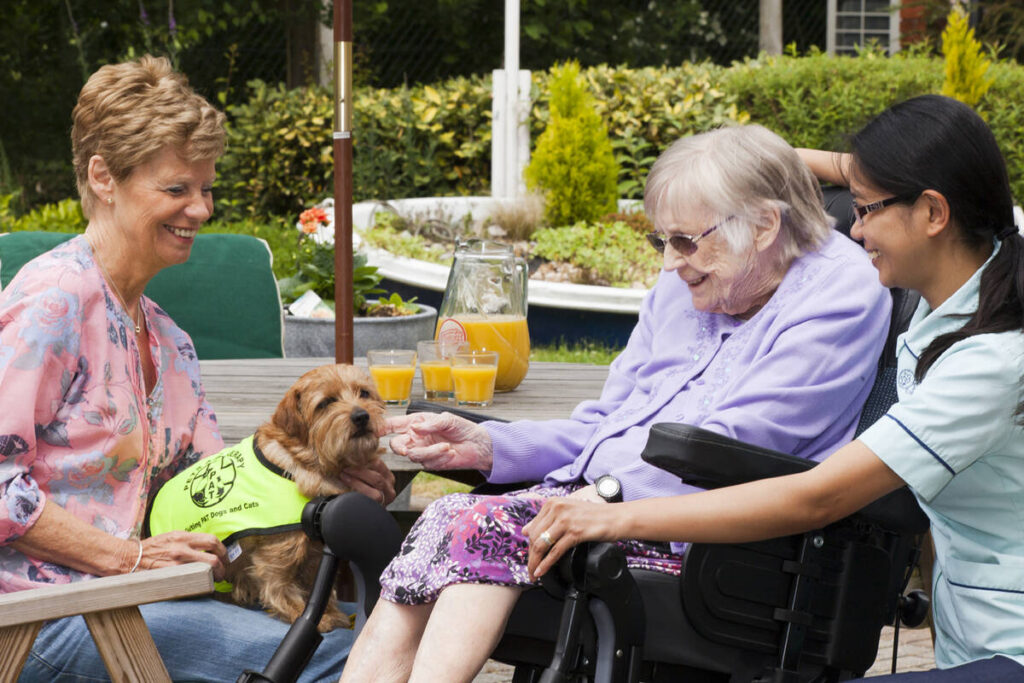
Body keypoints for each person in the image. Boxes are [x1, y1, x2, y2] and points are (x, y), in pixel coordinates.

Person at [340, 124, 892, 682]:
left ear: (766, 224)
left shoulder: (840, 292)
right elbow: (610, 423)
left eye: (685, 241)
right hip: (609, 508)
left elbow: (728, 452)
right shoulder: (692, 282)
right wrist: (487, 444)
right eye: (662, 241)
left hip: (717, 547)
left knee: (487, 524)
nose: (670, 263)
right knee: (449, 515)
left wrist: (601, 496)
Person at [526, 94, 1024, 681]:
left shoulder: (992, 361)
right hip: (975, 648)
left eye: (864, 210)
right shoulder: (969, 283)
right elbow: (881, 174)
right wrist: (754, 160)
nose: (855, 230)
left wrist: (615, 518)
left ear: (934, 214)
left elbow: (817, 497)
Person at [0, 55, 394, 682]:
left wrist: (328, 480)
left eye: (206, 189)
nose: (202, 210)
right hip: (45, 616)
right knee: (357, 659)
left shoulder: (170, 341)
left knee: (401, 622)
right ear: (104, 177)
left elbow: (222, 490)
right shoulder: (52, 303)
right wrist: (127, 557)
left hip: (143, 599)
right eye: (177, 189)